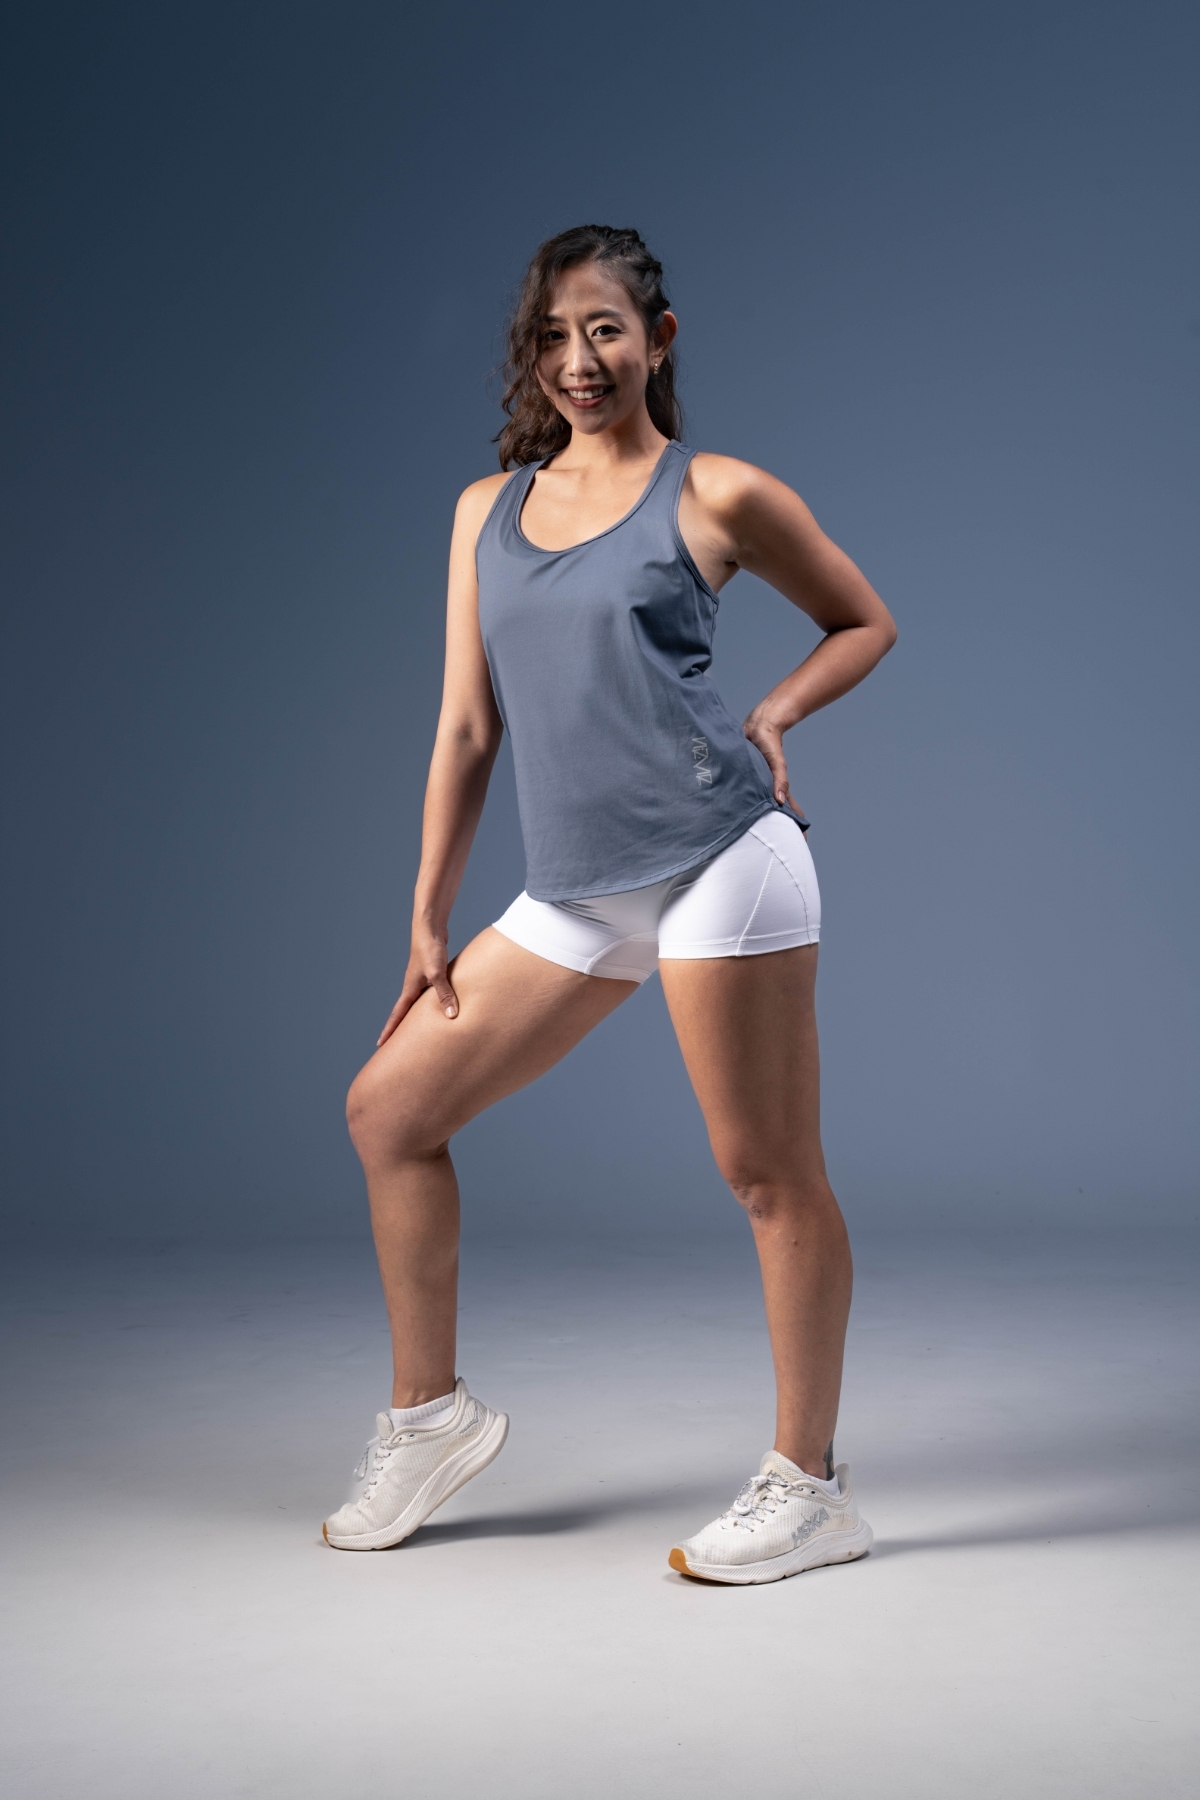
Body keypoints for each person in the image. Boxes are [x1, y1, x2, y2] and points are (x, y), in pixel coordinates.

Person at [322, 225, 896, 1583]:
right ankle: (430, 1418)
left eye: (604, 331)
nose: (578, 361)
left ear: (658, 338)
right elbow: (469, 729)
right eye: (552, 337)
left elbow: (862, 618)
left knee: (766, 1172)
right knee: (390, 1112)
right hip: (577, 888)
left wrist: (774, 711)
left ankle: (810, 1487)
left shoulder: (718, 492)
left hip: (720, 859)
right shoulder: (485, 511)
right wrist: (427, 916)